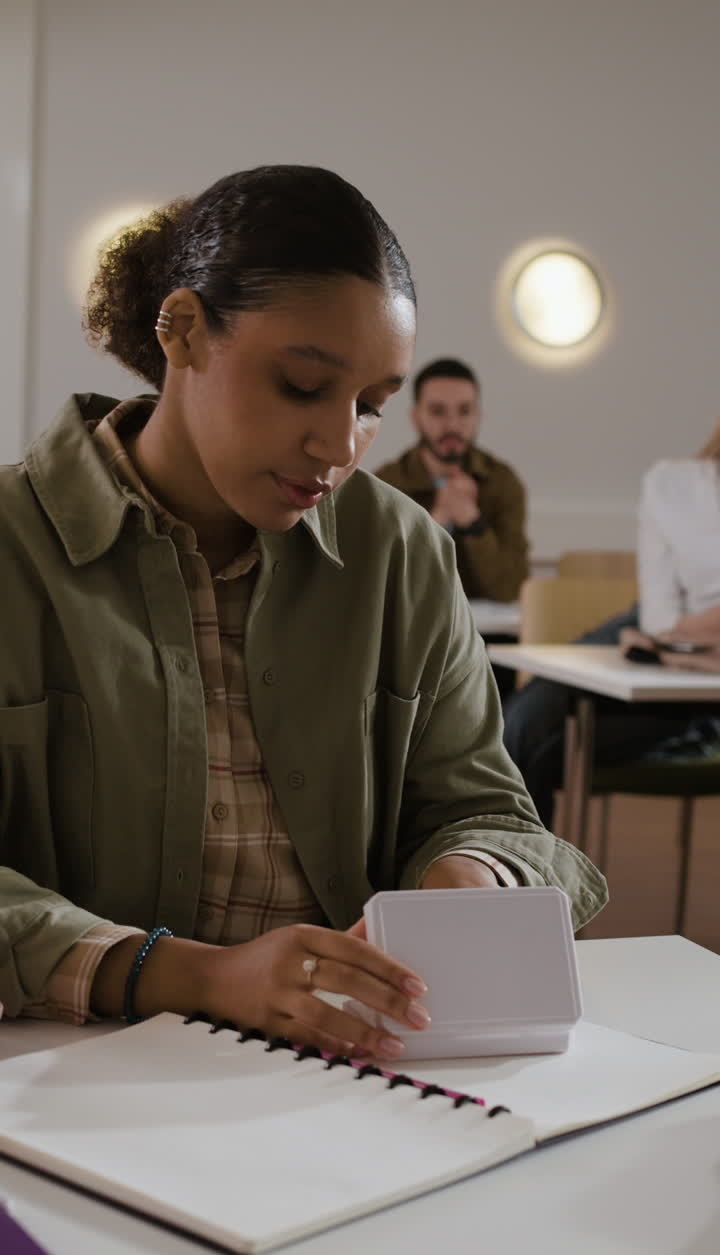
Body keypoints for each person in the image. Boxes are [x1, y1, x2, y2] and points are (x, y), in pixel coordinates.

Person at [0, 166, 606, 1059]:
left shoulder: (401, 551)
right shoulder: (13, 547)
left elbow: (488, 809)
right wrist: (199, 975)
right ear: (182, 331)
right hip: (72, 1073)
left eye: (370, 406)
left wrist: (462, 881)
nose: (338, 446)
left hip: (354, 1070)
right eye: (300, 386)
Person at [503, 421, 720, 829]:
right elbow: (659, 619)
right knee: (524, 720)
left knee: (550, 750)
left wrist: (688, 630)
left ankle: (531, 876)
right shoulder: (673, 484)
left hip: (698, 680)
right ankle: (509, 877)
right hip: (651, 634)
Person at [374, 358, 529, 602]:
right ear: (416, 418)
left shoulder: (502, 482)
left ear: (478, 415)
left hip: (489, 632)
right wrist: (437, 521)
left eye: (465, 411)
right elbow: (382, 585)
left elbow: (511, 589)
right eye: (437, 411)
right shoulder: (386, 485)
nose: (453, 425)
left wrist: (472, 523)